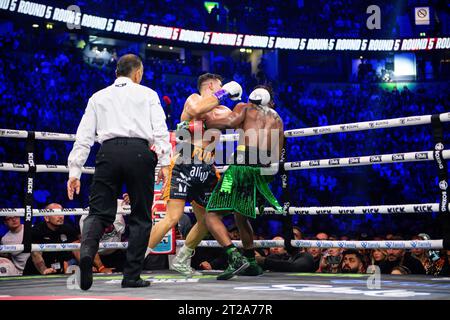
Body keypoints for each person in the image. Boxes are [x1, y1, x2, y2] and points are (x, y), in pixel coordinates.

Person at [67, 54, 172, 290]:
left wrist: (74, 172)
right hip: (139, 154)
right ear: (138, 73)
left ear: (116, 73)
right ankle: (131, 275)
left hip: (108, 153)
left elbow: (83, 136)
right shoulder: (147, 94)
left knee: (98, 212)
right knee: (141, 216)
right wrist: (165, 162)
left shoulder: (98, 96)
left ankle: (87, 254)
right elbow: (160, 131)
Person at [146, 73, 242, 276]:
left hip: (206, 169)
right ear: (211, 85)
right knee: (173, 217)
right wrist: (225, 92)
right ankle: (137, 260)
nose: (223, 87)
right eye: (220, 85)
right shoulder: (194, 99)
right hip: (184, 164)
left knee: (208, 220)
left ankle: (182, 259)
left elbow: (235, 121)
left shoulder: (222, 109)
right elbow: (197, 110)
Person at [205, 85, 284, 280]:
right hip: (266, 170)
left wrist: (206, 109)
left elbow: (224, 123)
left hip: (242, 165)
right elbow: (278, 153)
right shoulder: (278, 119)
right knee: (241, 216)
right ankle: (251, 263)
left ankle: (234, 257)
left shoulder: (245, 107)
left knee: (211, 214)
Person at [23, 203, 80, 275]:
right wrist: (44, 270)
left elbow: (77, 249)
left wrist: (87, 266)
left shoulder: (68, 229)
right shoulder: (37, 230)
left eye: (62, 213)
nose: (60, 217)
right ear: (46, 217)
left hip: (58, 272)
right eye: (56, 214)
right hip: (35, 273)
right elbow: (36, 254)